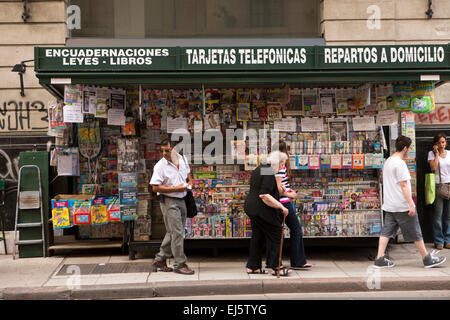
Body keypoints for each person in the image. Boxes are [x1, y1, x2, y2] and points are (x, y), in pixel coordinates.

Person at [374, 135, 446, 269]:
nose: (410, 151)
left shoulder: (388, 161)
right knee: (416, 231)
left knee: (386, 232)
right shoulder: (400, 163)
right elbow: (404, 185)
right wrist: (411, 204)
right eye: (410, 148)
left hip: (390, 204)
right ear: (405, 148)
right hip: (402, 205)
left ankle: (379, 258)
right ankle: (427, 258)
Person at [149, 138, 194, 275]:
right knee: (178, 232)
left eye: (166, 150)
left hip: (182, 199)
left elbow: (188, 175)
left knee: (173, 231)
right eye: (161, 150)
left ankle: (160, 259)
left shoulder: (183, 159)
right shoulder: (160, 166)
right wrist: (175, 189)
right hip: (169, 201)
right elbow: (155, 187)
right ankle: (179, 264)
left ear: (174, 149)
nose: (163, 153)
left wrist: (190, 184)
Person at [244, 151, 291, 277]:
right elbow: (264, 196)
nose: (283, 167)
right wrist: (282, 207)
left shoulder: (261, 168)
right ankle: (277, 267)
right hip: (260, 208)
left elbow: (263, 188)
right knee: (276, 232)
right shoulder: (269, 172)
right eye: (282, 164)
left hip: (251, 207)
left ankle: (253, 267)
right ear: (278, 162)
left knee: (257, 236)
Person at [274, 141, 311, 269]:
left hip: (278, 203)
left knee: (276, 232)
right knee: (296, 229)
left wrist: (288, 191)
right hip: (283, 203)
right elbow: (278, 188)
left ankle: (272, 261)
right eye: (288, 150)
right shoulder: (281, 166)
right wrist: (290, 195)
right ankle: (297, 261)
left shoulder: (272, 165)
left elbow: (279, 186)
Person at [428, 133, 450, 250]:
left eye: (443, 142)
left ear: (446, 142)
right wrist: (437, 154)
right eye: (439, 143)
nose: (442, 145)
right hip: (438, 185)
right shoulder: (431, 154)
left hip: (449, 185)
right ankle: (439, 240)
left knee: (448, 216)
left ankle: (448, 240)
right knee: (438, 215)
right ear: (435, 144)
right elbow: (434, 168)